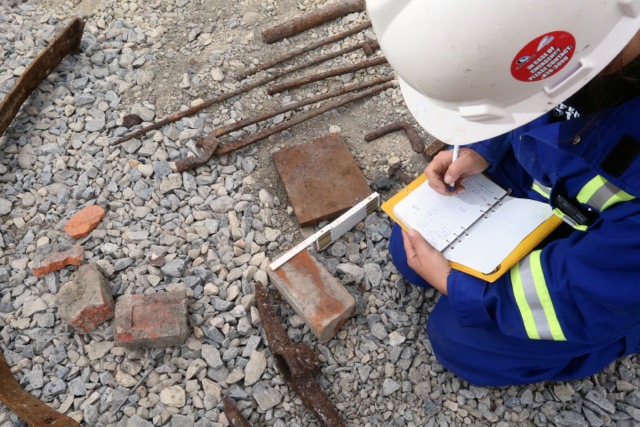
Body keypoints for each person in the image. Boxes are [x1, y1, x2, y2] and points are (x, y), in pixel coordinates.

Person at [366, 0, 640, 386]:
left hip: (617, 268)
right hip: (556, 178)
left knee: (460, 341)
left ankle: (624, 335)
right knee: (409, 248)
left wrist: (460, 289)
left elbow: (585, 292)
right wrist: (483, 147)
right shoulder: (581, 39)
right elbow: (525, 91)